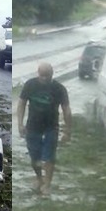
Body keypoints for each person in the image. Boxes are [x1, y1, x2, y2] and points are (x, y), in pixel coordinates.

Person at [17, 62, 72, 195]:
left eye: (47, 76)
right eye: (42, 75)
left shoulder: (59, 89)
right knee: (34, 156)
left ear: (52, 74)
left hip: (51, 127)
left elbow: (66, 110)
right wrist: (20, 124)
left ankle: (47, 183)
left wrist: (67, 130)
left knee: (49, 157)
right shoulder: (30, 85)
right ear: (38, 73)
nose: (44, 78)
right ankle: (39, 178)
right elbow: (21, 104)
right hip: (33, 126)